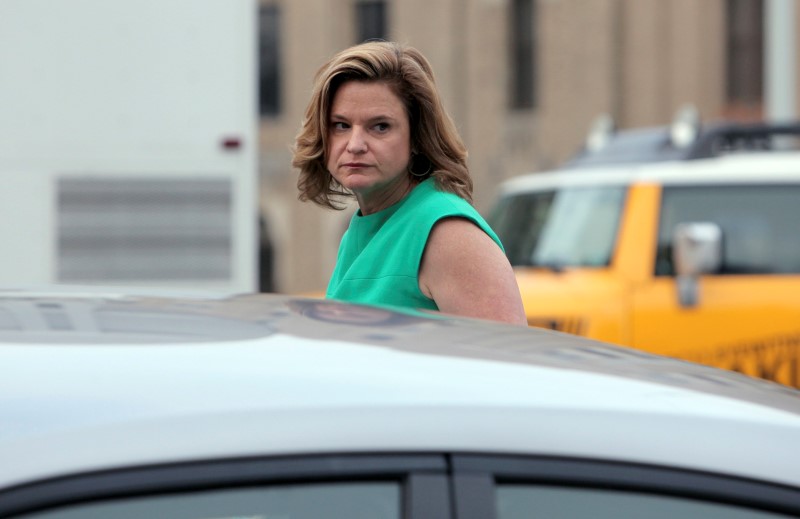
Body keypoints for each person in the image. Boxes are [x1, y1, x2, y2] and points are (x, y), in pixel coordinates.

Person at [292, 41, 527, 326]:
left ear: (416, 138)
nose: (355, 145)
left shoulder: (449, 234)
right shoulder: (361, 229)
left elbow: (507, 363)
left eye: (380, 126)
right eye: (341, 125)